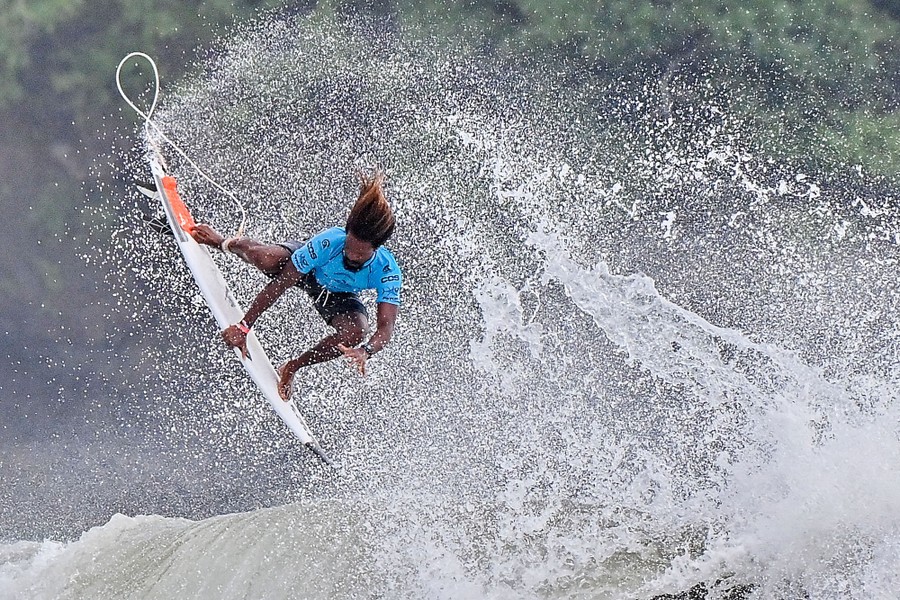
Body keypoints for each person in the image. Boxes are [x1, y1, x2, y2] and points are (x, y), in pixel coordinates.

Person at [190, 170, 402, 400]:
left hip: (337, 293)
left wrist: (366, 350)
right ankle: (223, 242)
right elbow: (281, 285)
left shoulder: (387, 271)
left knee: (357, 331)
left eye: (359, 254)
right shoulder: (329, 242)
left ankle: (292, 367)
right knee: (266, 258)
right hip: (309, 270)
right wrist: (244, 327)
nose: (350, 256)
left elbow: (385, 329)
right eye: (348, 248)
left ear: (376, 249)